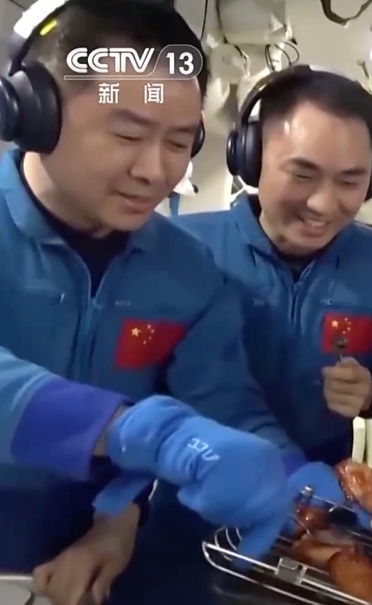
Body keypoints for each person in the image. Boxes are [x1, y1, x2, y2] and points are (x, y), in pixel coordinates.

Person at [0, 1, 310, 603]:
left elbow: (222, 401)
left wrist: (292, 476)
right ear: (34, 112)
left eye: (179, 142)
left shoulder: (187, 270)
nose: (155, 170)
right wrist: (132, 429)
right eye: (127, 134)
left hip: (85, 553)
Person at [118, 67, 372, 603]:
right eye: (302, 174)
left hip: (319, 518)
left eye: (350, 181)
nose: (324, 204)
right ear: (250, 157)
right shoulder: (179, 249)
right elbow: (124, 390)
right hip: (190, 513)